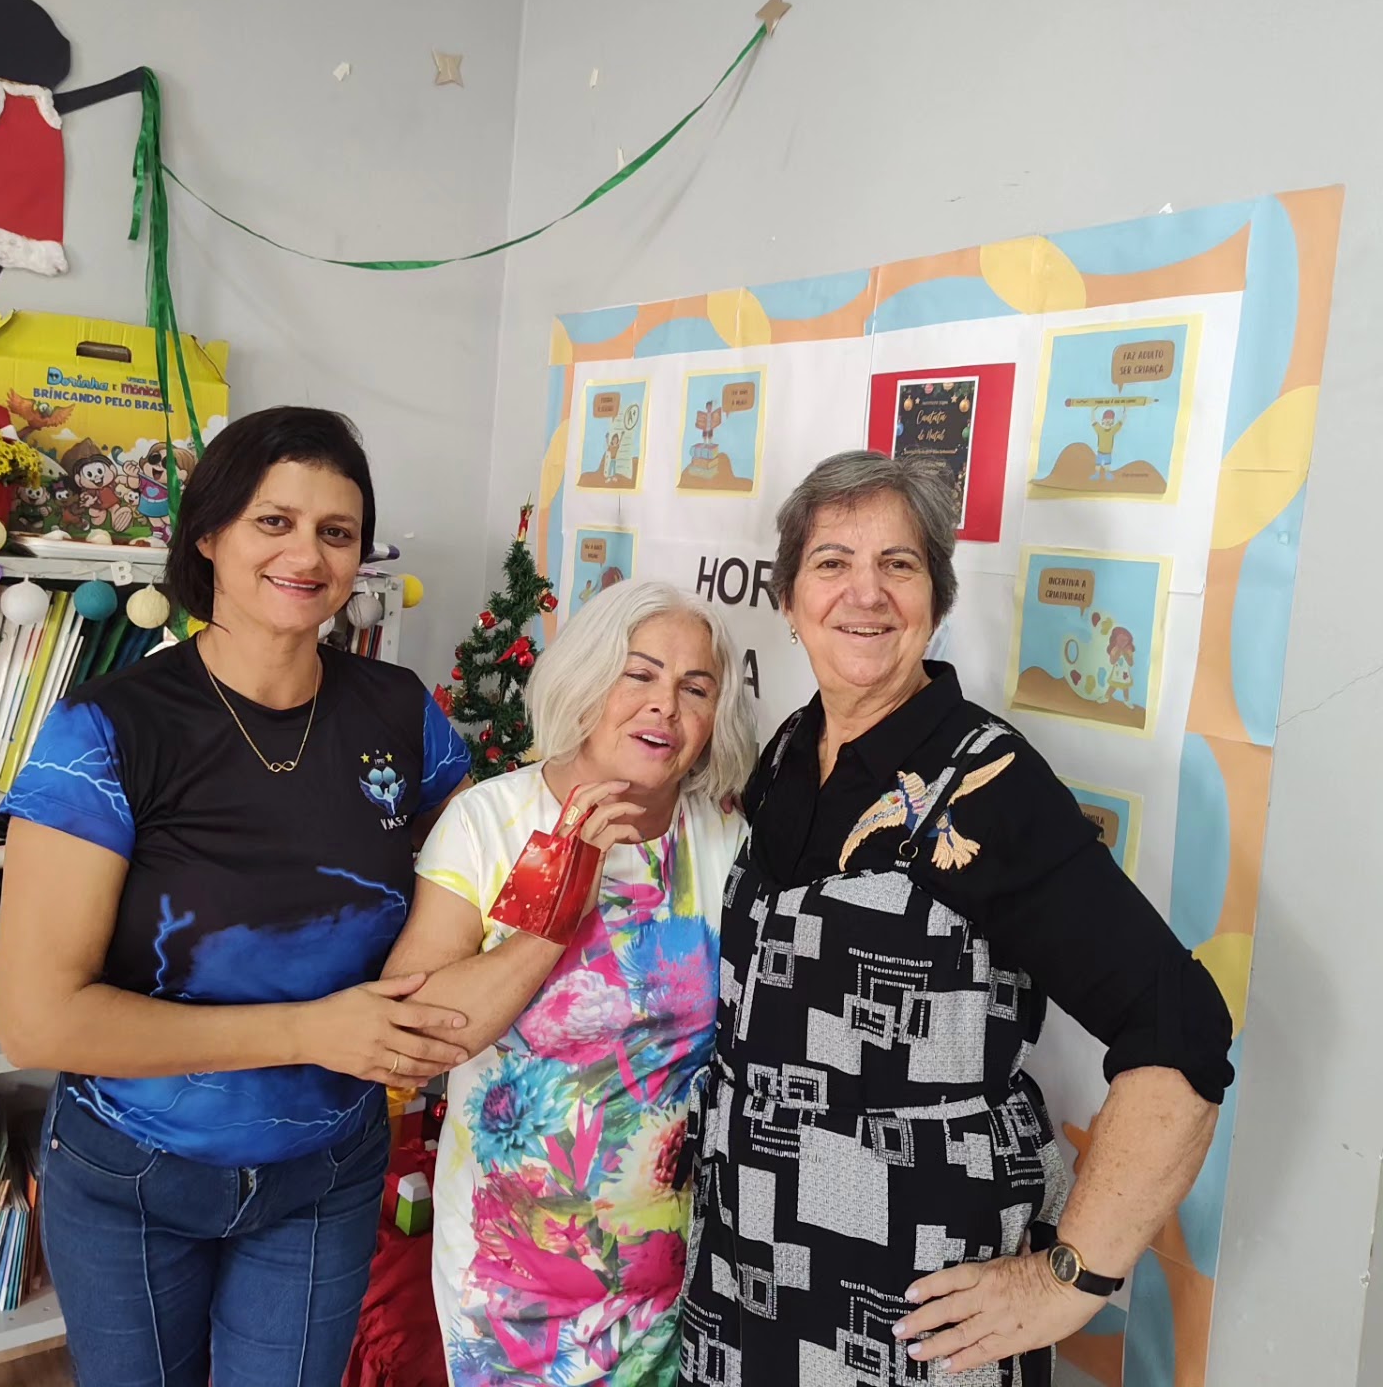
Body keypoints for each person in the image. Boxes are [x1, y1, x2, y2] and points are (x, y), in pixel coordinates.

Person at [678, 451, 1234, 1385]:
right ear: (789, 599)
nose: (866, 593)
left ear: (936, 598)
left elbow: (1181, 1027)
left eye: (898, 564)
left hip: (909, 1308)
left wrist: (1069, 1278)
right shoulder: (788, 751)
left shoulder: (989, 783)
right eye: (832, 563)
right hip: (743, 1279)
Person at [0, 407, 474, 1387]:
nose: (307, 554)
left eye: (336, 531)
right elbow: (37, 1023)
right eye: (273, 521)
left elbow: (471, 879)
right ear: (208, 534)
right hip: (134, 1170)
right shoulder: (107, 731)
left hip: (326, 1171)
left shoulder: (399, 712)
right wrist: (310, 1031)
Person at [387, 580, 756, 1386]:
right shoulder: (489, 824)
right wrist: (559, 907)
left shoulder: (725, 841)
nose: (665, 706)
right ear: (587, 680)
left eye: (695, 689)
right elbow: (415, 1039)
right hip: (510, 1284)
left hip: (672, 1280)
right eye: (640, 674)